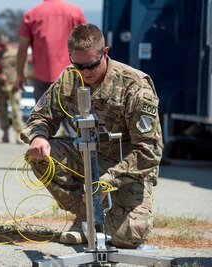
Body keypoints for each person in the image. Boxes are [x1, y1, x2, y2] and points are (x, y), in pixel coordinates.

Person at [20, 24, 163, 249]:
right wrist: (39, 136)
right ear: (70, 57)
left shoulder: (135, 86)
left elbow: (149, 151)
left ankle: (99, 221)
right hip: (88, 158)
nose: (85, 73)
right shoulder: (68, 79)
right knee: (40, 156)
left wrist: (106, 181)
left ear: (105, 53)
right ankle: (87, 217)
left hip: (126, 168)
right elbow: (40, 117)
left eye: (91, 65)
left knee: (128, 236)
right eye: (79, 66)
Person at [14, 0, 87, 136]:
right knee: (74, 125)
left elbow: (22, 48)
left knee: (43, 123)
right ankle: (77, 153)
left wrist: (20, 75)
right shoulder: (75, 12)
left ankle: (44, 152)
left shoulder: (32, 14)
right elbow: (87, 41)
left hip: (43, 77)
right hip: (71, 76)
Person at [0, 34, 26, 144]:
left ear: (7, 43)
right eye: (0, 45)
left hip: (14, 86)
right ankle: (5, 135)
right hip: (1, 87)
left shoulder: (15, 53)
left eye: (3, 45)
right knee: (2, 111)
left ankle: (19, 135)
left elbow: (23, 67)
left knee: (16, 110)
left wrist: (19, 80)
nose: (1, 47)